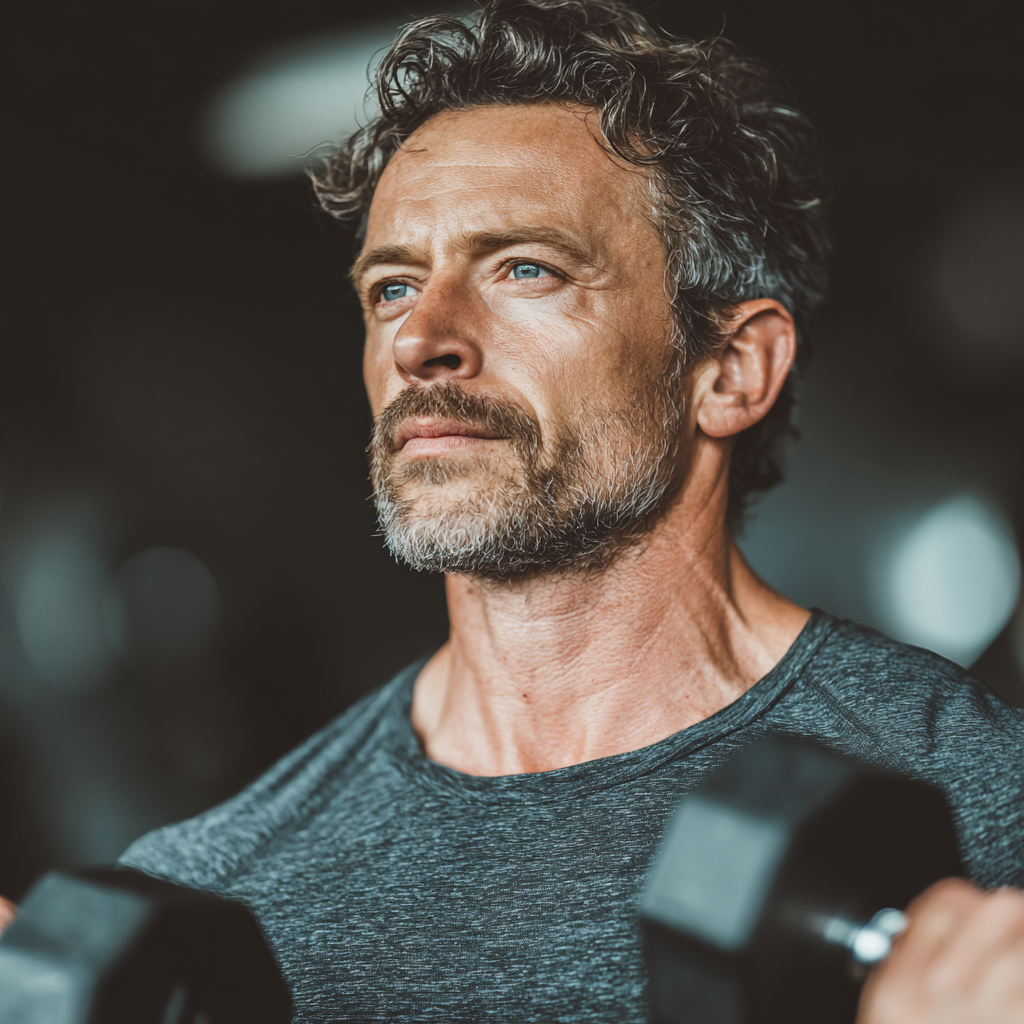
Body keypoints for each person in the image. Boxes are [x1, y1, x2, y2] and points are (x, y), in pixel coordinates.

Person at [5, 1, 1022, 1021]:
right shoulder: (208, 890)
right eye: (393, 288)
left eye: (523, 268)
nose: (421, 340)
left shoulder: (982, 814)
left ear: (729, 370)